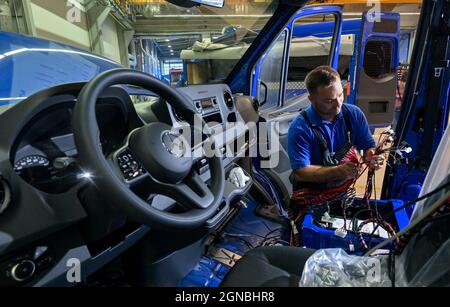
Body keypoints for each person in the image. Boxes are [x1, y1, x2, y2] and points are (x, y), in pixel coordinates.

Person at [288, 66, 384, 190]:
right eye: (329, 100)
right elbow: (301, 172)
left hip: (343, 190)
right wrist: (338, 171)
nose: (338, 104)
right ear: (311, 99)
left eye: (340, 95)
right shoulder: (300, 128)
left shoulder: (353, 114)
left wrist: (371, 155)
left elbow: (368, 146)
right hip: (310, 195)